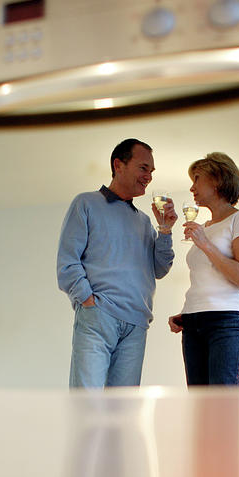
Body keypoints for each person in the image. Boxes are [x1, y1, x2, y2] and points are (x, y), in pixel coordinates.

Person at [57, 138, 176, 388]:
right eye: (144, 168)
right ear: (118, 165)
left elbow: (160, 269)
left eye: (152, 172)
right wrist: (88, 301)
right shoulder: (86, 203)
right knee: (87, 405)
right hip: (98, 317)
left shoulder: (143, 221)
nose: (149, 177)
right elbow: (68, 262)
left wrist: (164, 229)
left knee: (122, 411)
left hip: (136, 325)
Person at [169, 152, 239, 386]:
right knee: (199, 402)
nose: (192, 187)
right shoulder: (205, 227)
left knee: (222, 399)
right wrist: (188, 313)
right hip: (194, 320)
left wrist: (205, 245)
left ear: (218, 179)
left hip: (229, 320)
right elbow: (207, 277)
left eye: (197, 178)